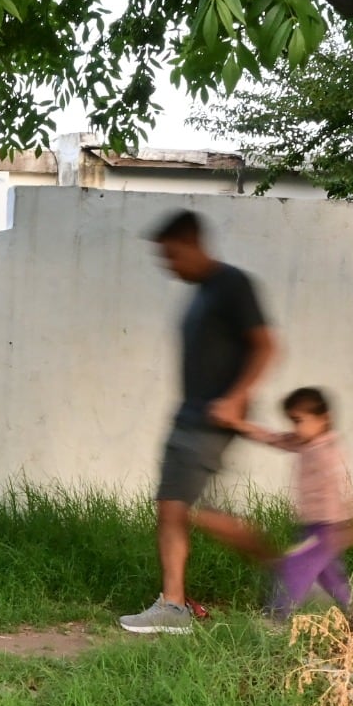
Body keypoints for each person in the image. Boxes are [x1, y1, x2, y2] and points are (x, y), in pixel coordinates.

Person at [120, 210, 278, 635]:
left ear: (192, 244)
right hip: (191, 414)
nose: (169, 265)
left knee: (180, 508)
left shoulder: (231, 284)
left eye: (172, 255)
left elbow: (265, 346)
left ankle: (281, 573)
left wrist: (236, 397)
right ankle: (177, 604)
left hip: (211, 417)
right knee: (178, 509)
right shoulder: (202, 292)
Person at [218, 386, 353, 619]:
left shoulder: (328, 450)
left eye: (299, 421)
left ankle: (276, 618)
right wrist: (238, 425)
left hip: (327, 527)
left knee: (294, 567)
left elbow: (343, 485)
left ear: (323, 418)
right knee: (330, 577)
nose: (295, 428)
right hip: (313, 525)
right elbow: (273, 439)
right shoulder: (305, 442)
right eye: (292, 421)